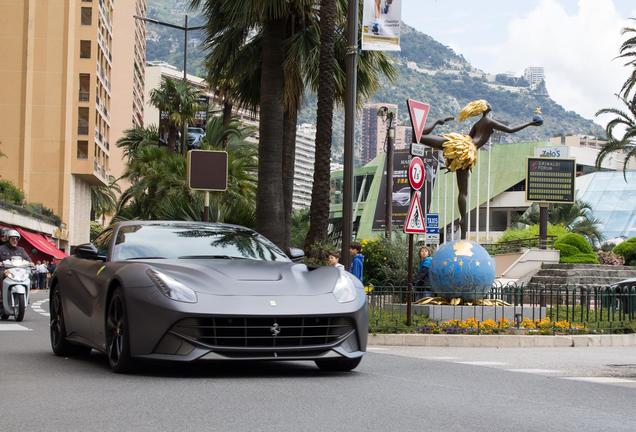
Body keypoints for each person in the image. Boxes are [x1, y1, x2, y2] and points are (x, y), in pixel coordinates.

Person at [419, 100, 542, 239]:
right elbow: (511, 130)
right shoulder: (490, 122)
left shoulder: (477, 124)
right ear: (485, 108)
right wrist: (530, 123)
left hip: (463, 146)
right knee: (463, 193)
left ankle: (437, 121)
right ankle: (463, 227)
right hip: (466, 150)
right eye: (488, 103)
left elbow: (470, 138)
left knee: (421, 137)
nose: (490, 104)